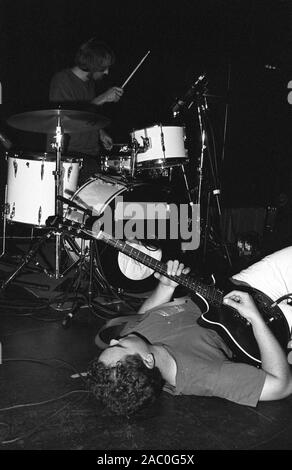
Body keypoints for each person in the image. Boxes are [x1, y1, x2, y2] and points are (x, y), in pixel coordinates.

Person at [87, 251, 292, 416]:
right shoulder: (202, 375)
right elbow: (281, 386)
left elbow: (143, 317)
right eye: (118, 346)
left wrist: (165, 288)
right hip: (276, 320)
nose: (114, 339)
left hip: (239, 286)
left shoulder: (134, 340)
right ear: (148, 361)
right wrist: (256, 319)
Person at [48, 37, 124, 183]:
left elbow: (88, 116)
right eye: (103, 67)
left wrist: (101, 133)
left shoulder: (89, 84)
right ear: (91, 65)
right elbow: (67, 118)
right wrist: (102, 98)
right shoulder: (62, 80)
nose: (107, 72)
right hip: (68, 156)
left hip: (90, 155)